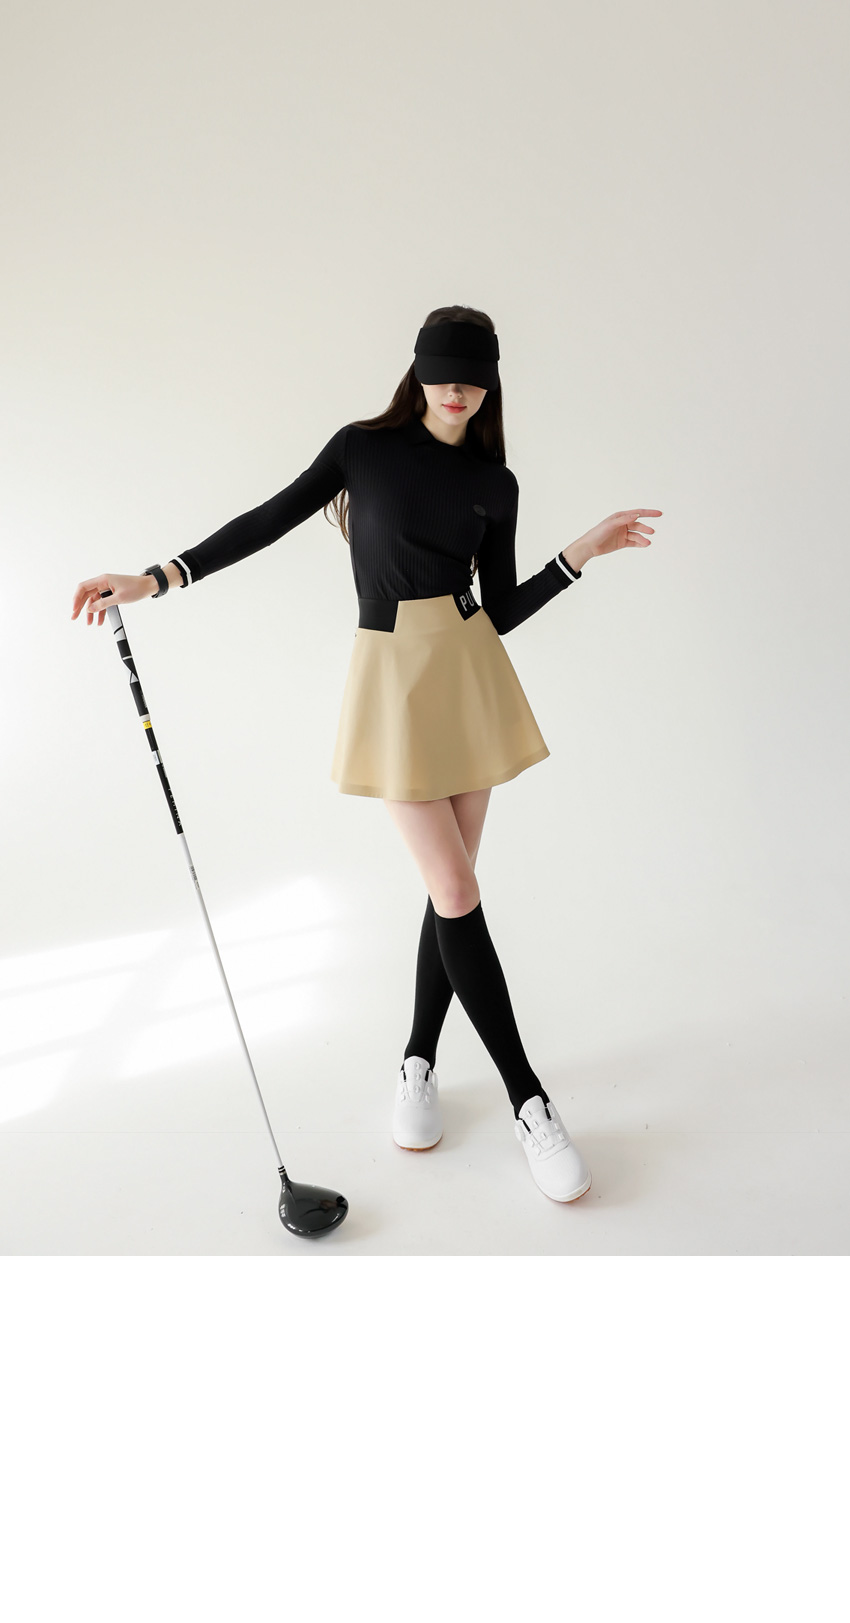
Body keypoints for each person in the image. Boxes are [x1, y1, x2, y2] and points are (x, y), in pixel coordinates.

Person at [71, 304, 661, 1206]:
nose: (457, 389)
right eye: (442, 371)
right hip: (392, 681)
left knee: (449, 890)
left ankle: (418, 1059)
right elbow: (267, 519)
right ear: (417, 370)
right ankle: (529, 1100)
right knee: (455, 889)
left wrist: (578, 554)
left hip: (469, 675)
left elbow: (499, 609)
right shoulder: (362, 450)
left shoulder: (494, 482)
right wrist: (156, 577)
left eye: (473, 376)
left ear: (491, 382)